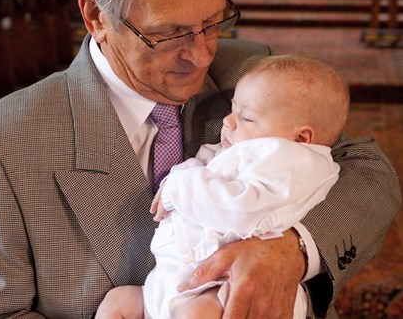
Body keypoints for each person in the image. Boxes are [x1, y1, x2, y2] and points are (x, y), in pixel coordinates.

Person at [0, 0, 400, 318]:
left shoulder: (257, 77)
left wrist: (294, 249)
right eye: (169, 34)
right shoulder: (8, 141)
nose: (202, 55)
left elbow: (368, 173)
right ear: (96, 16)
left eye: (212, 22)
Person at [96, 54, 349, 319]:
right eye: (233, 108)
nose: (228, 121)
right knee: (120, 301)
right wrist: (176, 180)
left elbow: (242, 210)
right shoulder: (240, 147)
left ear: (300, 137)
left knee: (196, 314)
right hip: (173, 280)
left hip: (226, 284)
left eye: (247, 117)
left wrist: (179, 188)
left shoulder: (295, 161)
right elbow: (199, 165)